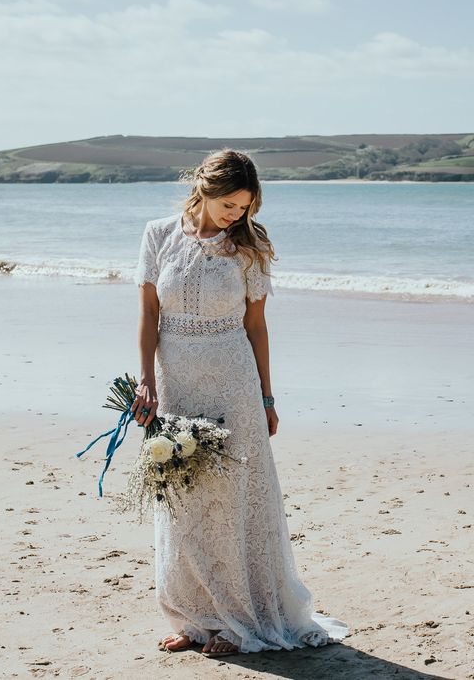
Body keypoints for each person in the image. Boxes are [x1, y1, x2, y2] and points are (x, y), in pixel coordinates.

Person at [129, 149, 349, 658]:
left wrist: (267, 396)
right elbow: (146, 313)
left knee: (231, 503)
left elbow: (256, 326)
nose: (236, 216)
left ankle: (237, 620)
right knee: (181, 499)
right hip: (176, 380)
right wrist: (146, 382)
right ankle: (193, 619)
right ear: (203, 189)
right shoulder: (158, 234)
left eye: (244, 207)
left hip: (233, 382)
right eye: (229, 205)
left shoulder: (251, 245)